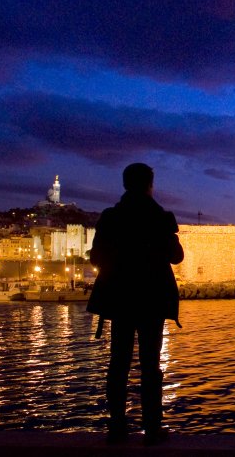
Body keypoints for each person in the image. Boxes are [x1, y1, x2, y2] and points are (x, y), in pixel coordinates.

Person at [88, 163, 184, 446]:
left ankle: (117, 425)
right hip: (151, 299)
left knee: (118, 362)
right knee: (150, 365)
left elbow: (96, 258)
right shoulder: (160, 217)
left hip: (119, 298)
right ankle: (153, 427)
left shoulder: (110, 218)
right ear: (150, 185)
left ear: (125, 184)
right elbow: (176, 257)